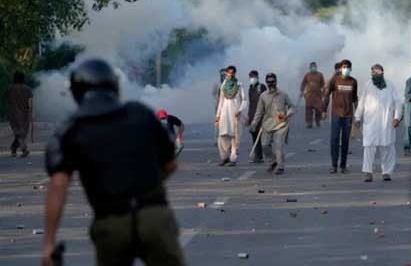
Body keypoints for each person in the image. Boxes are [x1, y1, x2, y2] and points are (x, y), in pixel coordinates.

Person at [42, 59, 185, 266]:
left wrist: (48, 243)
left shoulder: (70, 129)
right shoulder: (140, 113)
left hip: (111, 224)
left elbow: (58, 185)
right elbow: (170, 164)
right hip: (154, 217)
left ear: (76, 92)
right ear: (114, 86)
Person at [354, 64, 402, 182]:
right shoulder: (367, 85)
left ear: (382, 73)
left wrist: (397, 117)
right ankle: (368, 172)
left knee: (387, 147)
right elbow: (362, 102)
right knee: (369, 147)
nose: (375, 74)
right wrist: (357, 117)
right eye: (373, 72)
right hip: (371, 122)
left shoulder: (390, 85)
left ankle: (386, 172)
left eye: (377, 72)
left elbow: (397, 102)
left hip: (386, 122)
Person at [250, 73, 295, 175]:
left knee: (278, 146)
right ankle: (273, 161)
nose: (271, 84)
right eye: (269, 82)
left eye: (272, 81)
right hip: (267, 125)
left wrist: (288, 114)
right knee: (265, 146)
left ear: (276, 82)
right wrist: (254, 123)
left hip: (281, 124)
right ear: (266, 83)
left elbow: (291, 106)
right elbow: (259, 111)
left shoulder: (283, 95)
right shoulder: (263, 96)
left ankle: (280, 166)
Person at [323, 59, 358, 174]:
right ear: (341, 68)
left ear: (351, 69)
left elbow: (355, 99)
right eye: (344, 67)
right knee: (334, 139)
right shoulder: (335, 80)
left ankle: (343, 166)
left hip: (348, 115)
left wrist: (357, 114)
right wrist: (324, 110)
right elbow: (327, 95)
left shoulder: (353, 82)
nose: (345, 69)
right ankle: (334, 165)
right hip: (336, 114)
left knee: (345, 141)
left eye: (347, 67)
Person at [214, 65, 247, 167]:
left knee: (234, 137)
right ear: (226, 73)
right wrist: (217, 115)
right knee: (222, 137)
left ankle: (233, 159)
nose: (230, 74)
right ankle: (224, 158)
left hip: (235, 114)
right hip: (224, 114)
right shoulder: (223, 85)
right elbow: (221, 102)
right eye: (229, 73)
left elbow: (244, 99)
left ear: (234, 74)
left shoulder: (239, 84)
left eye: (232, 73)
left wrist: (240, 110)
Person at [7, 71, 33, 157]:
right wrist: (31, 114)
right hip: (24, 115)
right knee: (21, 134)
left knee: (18, 133)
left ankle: (13, 149)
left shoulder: (10, 88)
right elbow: (30, 103)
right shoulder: (28, 89)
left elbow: (8, 101)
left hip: (13, 115)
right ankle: (24, 149)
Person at [247, 70, 267, 163]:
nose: (252, 79)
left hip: (261, 115)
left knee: (261, 136)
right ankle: (258, 155)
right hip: (252, 115)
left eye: (254, 77)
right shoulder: (250, 88)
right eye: (251, 77)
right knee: (254, 135)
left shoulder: (261, 87)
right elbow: (251, 103)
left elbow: (266, 100)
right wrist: (248, 116)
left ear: (257, 77)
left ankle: (259, 156)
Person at [300, 62, 325, 129]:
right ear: (310, 68)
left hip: (318, 95)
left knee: (318, 110)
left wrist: (324, 92)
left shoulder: (320, 75)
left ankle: (317, 121)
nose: (313, 68)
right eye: (312, 67)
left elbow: (323, 85)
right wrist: (302, 91)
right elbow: (303, 83)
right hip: (309, 96)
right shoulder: (307, 75)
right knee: (308, 110)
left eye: (314, 66)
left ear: (316, 67)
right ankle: (309, 123)